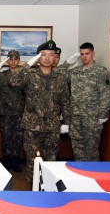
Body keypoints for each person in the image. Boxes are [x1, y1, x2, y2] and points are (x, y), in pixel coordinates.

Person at [9, 40, 71, 185]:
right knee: (32, 163)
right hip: (32, 127)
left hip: (52, 127)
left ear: (55, 57)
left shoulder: (61, 77)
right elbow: (13, 81)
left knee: (51, 163)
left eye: (51, 54)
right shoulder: (29, 74)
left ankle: (49, 190)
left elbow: (66, 101)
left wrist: (66, 122)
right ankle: (33, 189)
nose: (47, 58)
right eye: (43, 54)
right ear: (38, 57)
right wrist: (28, 64)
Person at [67, 42, 110, 161]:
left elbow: (105, 94)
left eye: (87, 53)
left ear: (93, 54)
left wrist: (103, 115)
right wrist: (67, 63)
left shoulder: (100, 71)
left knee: (91, 150)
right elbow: (59, 75)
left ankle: (92, 172)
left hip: (92, 118)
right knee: (77, 149)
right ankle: (79, 171)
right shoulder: (75, 71)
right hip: (76, 116)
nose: (84, 57)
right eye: (82, 54)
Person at [0, 50, 24, 172]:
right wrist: (0, 64)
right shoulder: (2, 75)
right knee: (6, 137)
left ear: (19, 60)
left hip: (19, 112)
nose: (13, 62)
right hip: (5, 111)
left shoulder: (23, 75)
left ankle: (15, 161)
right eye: (10, 59)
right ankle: (6, 160)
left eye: (15, 59)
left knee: (18, 138)